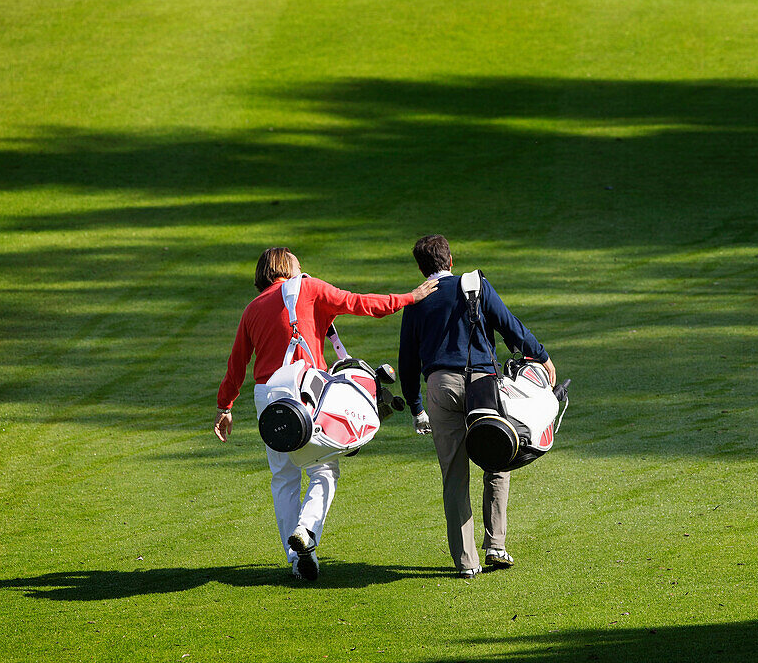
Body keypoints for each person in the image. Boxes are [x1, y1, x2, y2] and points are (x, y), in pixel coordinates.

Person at [215, 247, 437, 580]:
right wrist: (408, 297)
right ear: (285, 267)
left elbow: (237, 365)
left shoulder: (252, 309)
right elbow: (359, 303)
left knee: (283, 478)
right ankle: (306, 531)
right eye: (298, 264)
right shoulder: (308, 287)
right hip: (307, 389)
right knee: (324, 470)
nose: (302, 268)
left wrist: (225, 407)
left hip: (268, 396)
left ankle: (296, 558)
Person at [398, 234, 555, 579]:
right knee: (499, 456)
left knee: (454, 475)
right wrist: (540, 356)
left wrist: (415, 406)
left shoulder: (416, 301)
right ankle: (496, 544)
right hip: (484, 384)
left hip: (440, 387)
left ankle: (467, 563)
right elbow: (510, 326)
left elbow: (407, 362)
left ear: (422, 267)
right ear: (450, 260)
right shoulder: (476, 285)